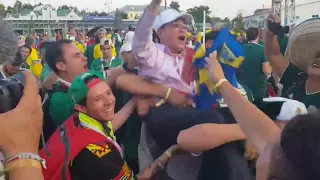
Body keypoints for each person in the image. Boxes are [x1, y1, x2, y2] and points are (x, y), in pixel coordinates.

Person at [206, 48, 320, 180]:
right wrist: (221, 82)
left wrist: (220, 82)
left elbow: (270, 139)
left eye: (266, 150)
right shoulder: (296, 80)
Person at [40, 72, 172, 180]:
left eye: (109, 93)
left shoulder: (76, 120)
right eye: (98, 99)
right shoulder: (100, 155)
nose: (109, 102)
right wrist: (169, 154)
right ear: (81, 107)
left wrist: (133, 101)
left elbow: (107, 128)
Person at [265, 15, 320, 108]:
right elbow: (273, 54)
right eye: (315, 53)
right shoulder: (297, 76)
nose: (317, 58)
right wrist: (272, 30)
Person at [237, 27, 272, 99]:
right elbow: (267, 71)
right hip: (258, 88)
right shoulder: (262, 50)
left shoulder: (239, 48)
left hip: (242, 87)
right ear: (258, 35)